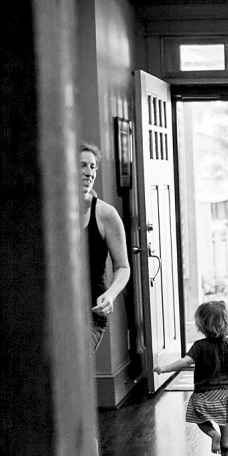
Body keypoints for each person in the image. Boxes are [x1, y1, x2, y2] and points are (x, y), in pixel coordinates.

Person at [156, 301, 228, 454]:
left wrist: (165, 368)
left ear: (202, 325)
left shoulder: (199, 346)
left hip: (203, 391)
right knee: (224, 417)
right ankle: (225, 441)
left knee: (196, 414)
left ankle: (213, 434)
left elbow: (185, 362)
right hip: (223, 391)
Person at [80, 142, 131, 352]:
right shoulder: (49, 212)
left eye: (93, 167)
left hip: (91, 315)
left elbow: (123, 267)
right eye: (82, 165)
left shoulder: (105, 214)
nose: (89, 173)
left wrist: (110, 295)